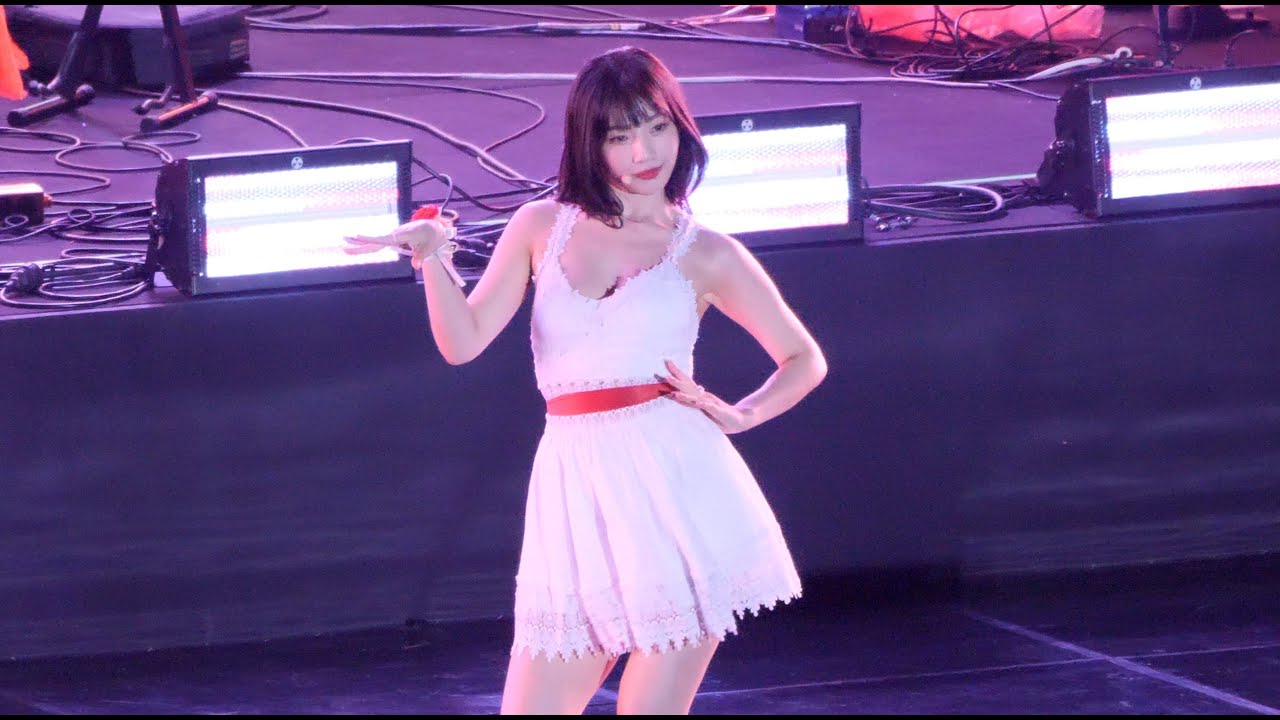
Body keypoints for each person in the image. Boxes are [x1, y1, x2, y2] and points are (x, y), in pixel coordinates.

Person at [345, 46, 827, 716]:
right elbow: (463, 342)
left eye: (656, 127)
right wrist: (433, 260)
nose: (643, 152)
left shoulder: (709, 252)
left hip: (679, 492)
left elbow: (803, 358)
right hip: (575, 496)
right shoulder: (541, 226)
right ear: (589, 142)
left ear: (680, 127)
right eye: (620, 135)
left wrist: (743, 414)